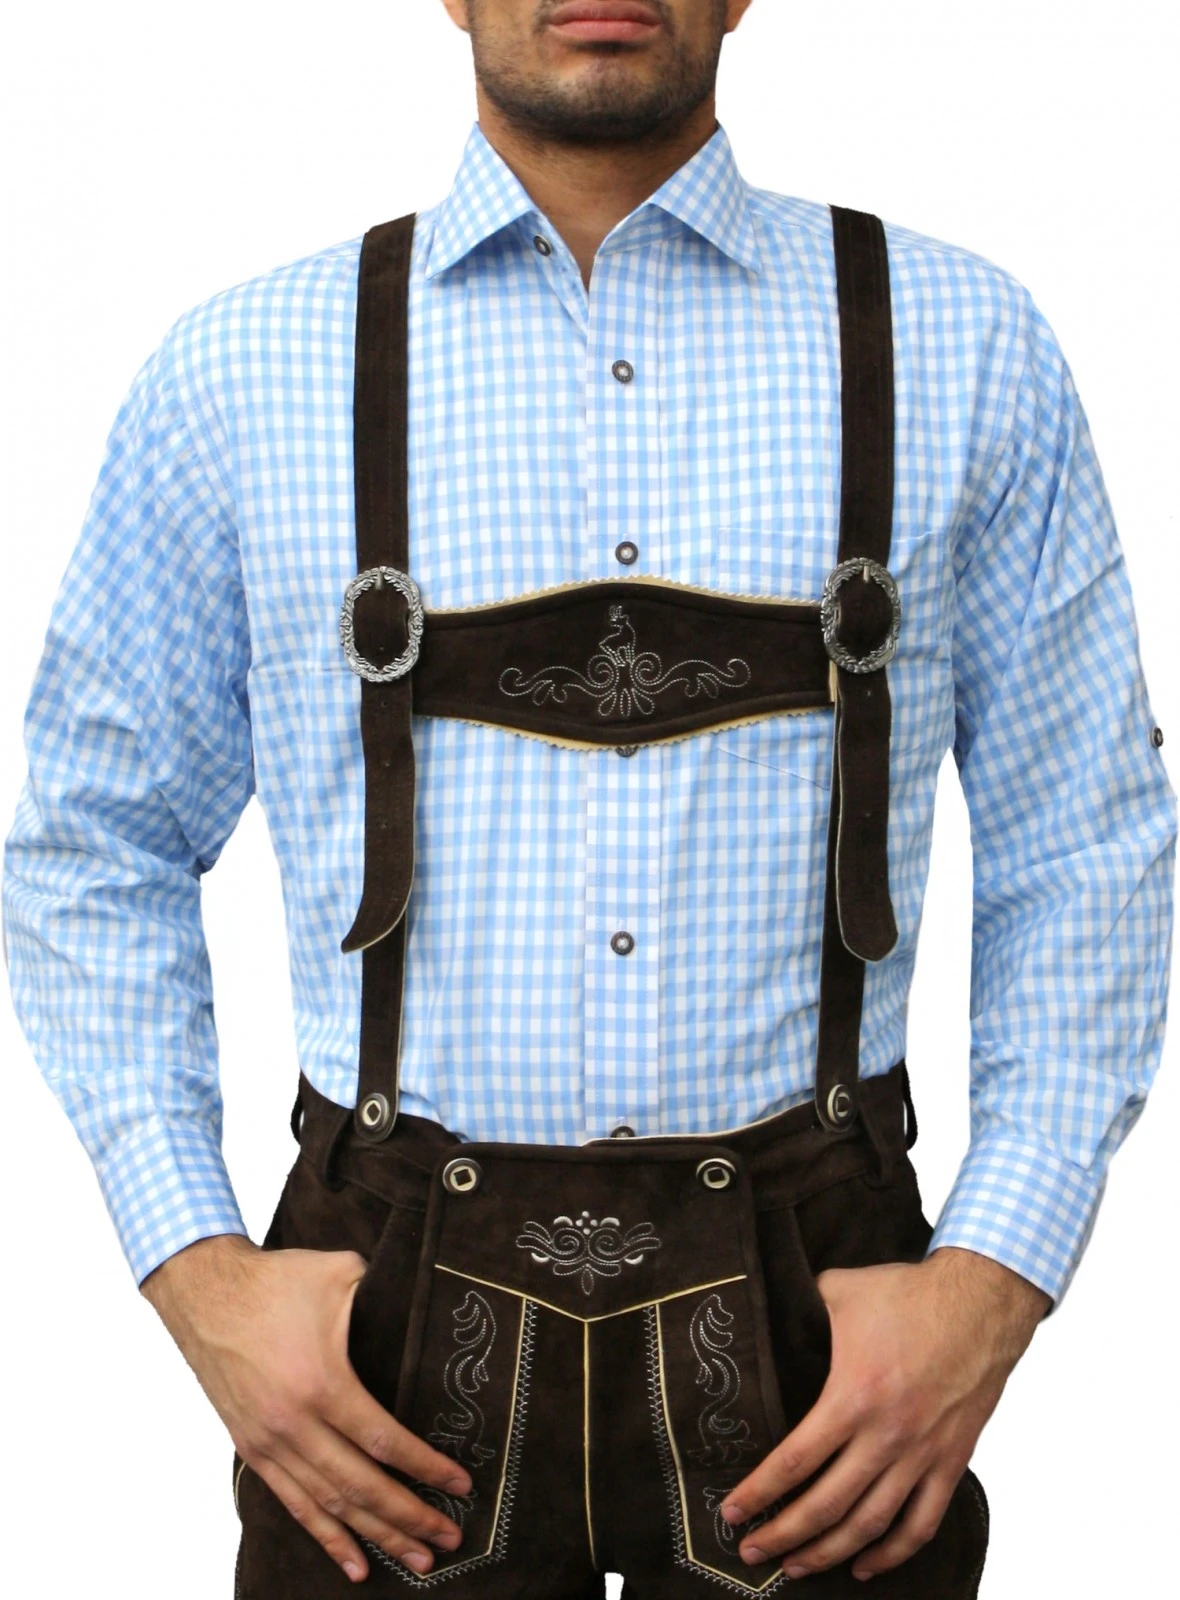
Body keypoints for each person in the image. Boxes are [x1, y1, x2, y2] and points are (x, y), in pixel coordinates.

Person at [3, 1, 1175, 1596]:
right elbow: (92, 840)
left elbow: (1087, 842)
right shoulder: (237, 372)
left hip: (826, 1317)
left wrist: (994, 1278)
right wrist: (196, 1269)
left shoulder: (962, 340)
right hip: (384, 1320)